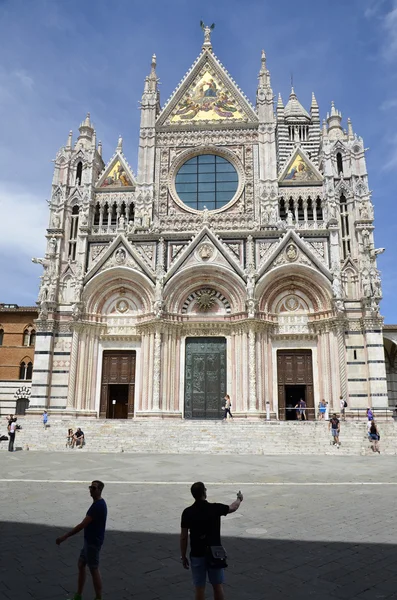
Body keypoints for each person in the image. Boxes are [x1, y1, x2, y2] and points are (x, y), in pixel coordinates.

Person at [180, 482, 243, 600]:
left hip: (197, 553)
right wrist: (239, 498)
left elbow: (183, 537)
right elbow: (233, 507)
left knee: (199, 588)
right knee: (217, 586)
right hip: (215, 553)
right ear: (204, 492)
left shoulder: (187, 512)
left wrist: (183, 556)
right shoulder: (215, 508)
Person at [56, 480, 107, 600]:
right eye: (90, 487)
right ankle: (78, 595)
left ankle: (98, 597)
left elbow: (82, 525)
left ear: (99, 490)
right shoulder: (99, 504)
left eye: (94, 488)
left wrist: (65, 536)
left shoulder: (97, 507)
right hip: (89, 541)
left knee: (94, 569)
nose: (90, 489)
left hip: (93, 543)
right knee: (81, 564)